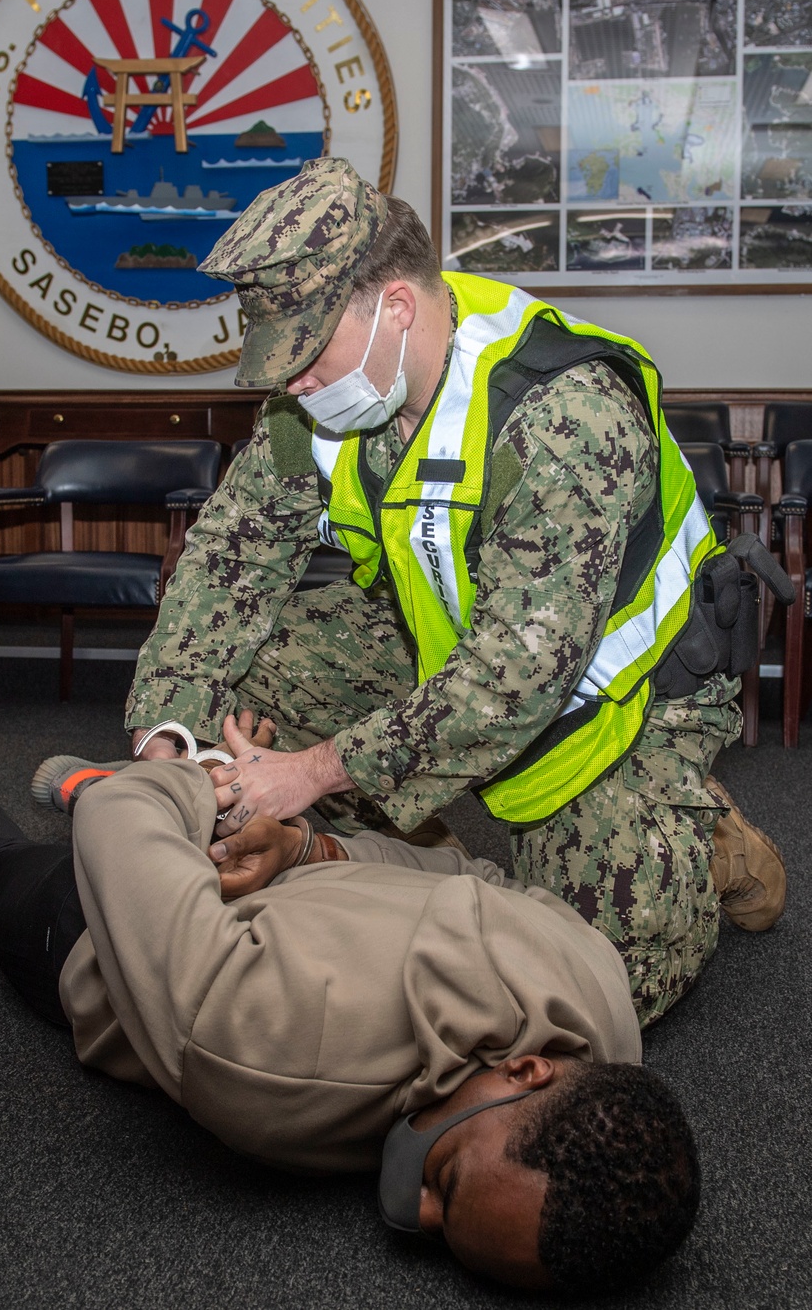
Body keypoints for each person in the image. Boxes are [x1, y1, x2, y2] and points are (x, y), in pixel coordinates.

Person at [126, 156, 787, 1029]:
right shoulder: (325, 401)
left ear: (396, 305)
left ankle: (701, 836)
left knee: (587, 992)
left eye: (307, 355)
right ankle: (381, 860)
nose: (293, 385)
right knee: (244, 677)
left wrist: (310, 773)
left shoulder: (563, 415)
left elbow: (514, 682)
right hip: (446, 641)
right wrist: (167, 729)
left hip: (617, 701)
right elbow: (230, 554)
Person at [0, 704, 699, 1297]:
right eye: (446, 1184)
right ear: (532, 1069)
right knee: (58, 838)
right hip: (206, 906)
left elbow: (123, 818)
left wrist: (196, 789)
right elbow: (469, 873)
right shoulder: (594, 989)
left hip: (134, 941)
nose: (417, 1213)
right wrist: (306, 844)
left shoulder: (265, 1055)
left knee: (15, 859)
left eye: (442, 1231)